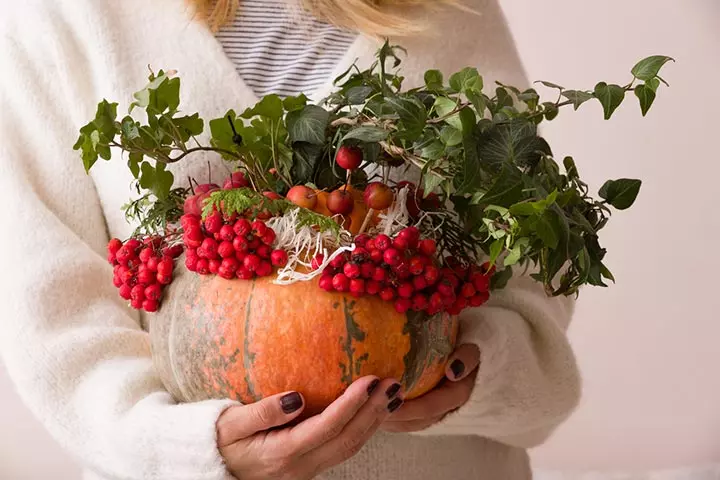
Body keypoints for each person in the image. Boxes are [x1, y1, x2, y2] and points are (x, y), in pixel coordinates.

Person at [0, 0, 581, 479]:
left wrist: (472, 375)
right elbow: (49, 308)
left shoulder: (449, 8)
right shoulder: (62, 14)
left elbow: (529, 270)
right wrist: (179, 447)